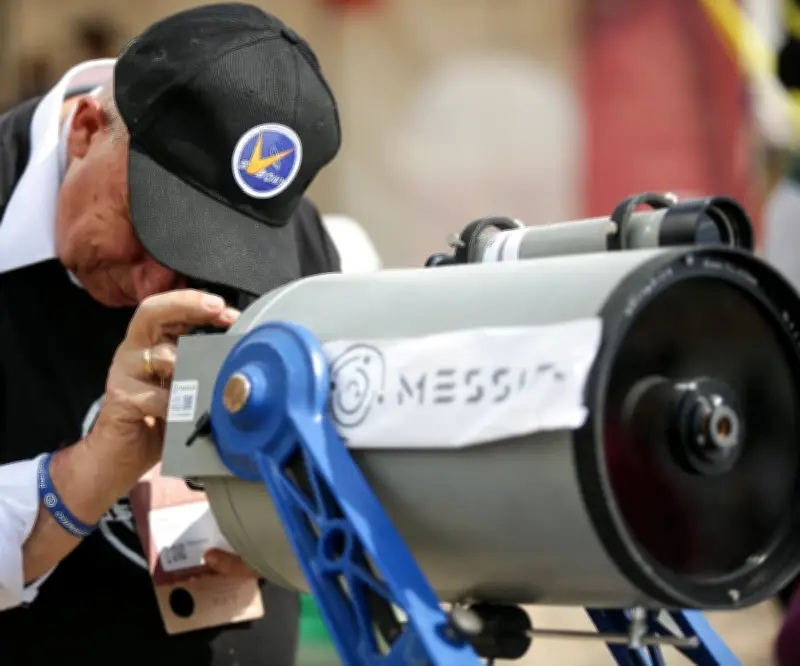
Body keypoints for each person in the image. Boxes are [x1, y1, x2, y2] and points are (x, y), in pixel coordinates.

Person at [0, 3, 341, 665]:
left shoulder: (299, 246)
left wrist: (286, 530)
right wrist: (90, 472)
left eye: (213, 255)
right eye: (148, 228)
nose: (158, 287)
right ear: (86, 131)